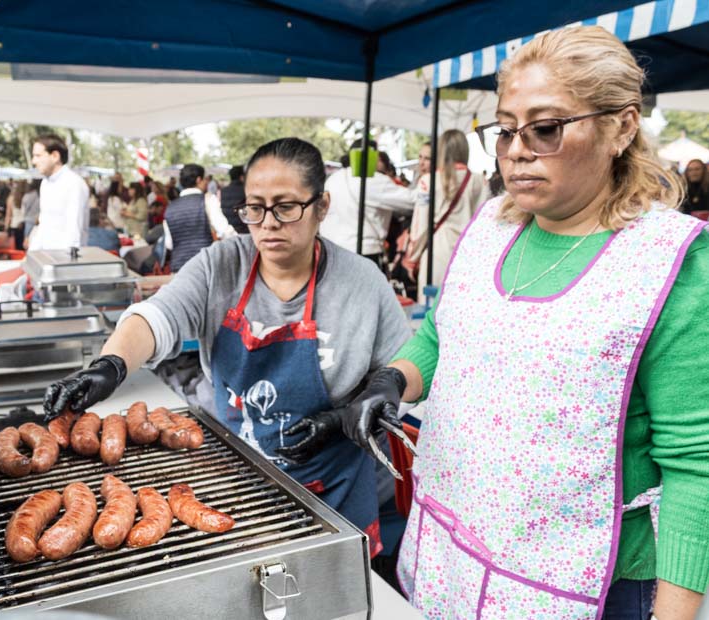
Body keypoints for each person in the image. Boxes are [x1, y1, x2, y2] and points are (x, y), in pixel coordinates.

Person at [292, 26, 709, 620]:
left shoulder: (672, 260)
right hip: (457, 550)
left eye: (545, 128)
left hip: (594, 582)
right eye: (505, 130)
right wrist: (393, 379)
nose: (515, 150)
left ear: (621, 126)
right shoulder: (493, 225)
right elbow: (444, 333)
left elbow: (697, 467)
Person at [42, 138, 412, 556]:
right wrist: (111, 364)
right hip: (239, 478)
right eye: (255, 207)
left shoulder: (361, 282)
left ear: (321, 207)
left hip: (335, 490)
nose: (268, 223)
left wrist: (347, 415)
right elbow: (159, 315)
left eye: (286, 207)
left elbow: (406, 367)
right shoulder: (222, 264)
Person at [406, 129, 490, 301]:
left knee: (430, 314)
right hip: (468, 256)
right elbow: (485, 223)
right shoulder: (479, 181)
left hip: (436, 257)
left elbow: (420, 225)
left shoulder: (428, 181)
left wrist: (411, 258)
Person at [319, 139, 415, 264]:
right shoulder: (374, 180)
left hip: (329, 251)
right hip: (363, 253)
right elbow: (412, 200)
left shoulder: (333, 178)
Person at [163, 163, 236, 272]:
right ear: (198, 180)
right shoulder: (208, 200)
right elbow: (225, 231)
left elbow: (169, 244)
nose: (207, 182)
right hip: (205, 266)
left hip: (179, 268)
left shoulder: (170, 207)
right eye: (205, 179)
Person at [27, 134, 89, 251]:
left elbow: (74, 230)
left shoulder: (74, 183)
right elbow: (44, 223)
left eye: (38, 156)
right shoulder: (45, 183)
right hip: (47, 257)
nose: (34, 161)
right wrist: (31, 254)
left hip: (65, 260)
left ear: (55, 156)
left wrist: (66, 265)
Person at [220, 165, 249, 234]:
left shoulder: (224, 191)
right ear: (242, 177)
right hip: (244, 229)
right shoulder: (245, 190)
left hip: (229, 229)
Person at [4, 180, 27, 250]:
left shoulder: (11, 198)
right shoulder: (28, 197)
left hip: (15, 226)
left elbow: (8, 215)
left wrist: (6, 228)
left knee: (17, 249)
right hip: (26, 226)